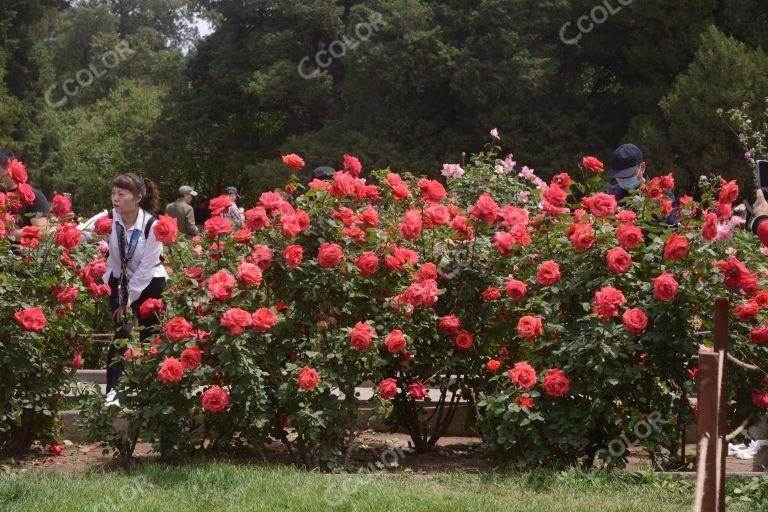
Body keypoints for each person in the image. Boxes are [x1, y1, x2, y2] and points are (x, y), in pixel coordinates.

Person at [103, 173, 167, 405]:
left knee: (150, 336)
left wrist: (127, 301)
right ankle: (113, 392)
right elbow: (81, 232)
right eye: (113, 193)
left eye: (121, 194)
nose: (115, 199)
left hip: (150, 283)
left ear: (138, 197)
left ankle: (152, 392)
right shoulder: (109, 218)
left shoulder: (152, 225)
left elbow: (146, 268)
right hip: (119, 280)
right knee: (121, 333)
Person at [605, 143, 678, 225]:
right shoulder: (609, 195)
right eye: (619, 176)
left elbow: (671, 229)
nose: (624, 179)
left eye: (628, 174)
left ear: (642, 167)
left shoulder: (664, 196)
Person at [0, 148, 50, 228]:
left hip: (21, 240)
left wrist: (12, 235)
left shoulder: (34, 197)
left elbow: (43, 232)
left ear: (9, 169)